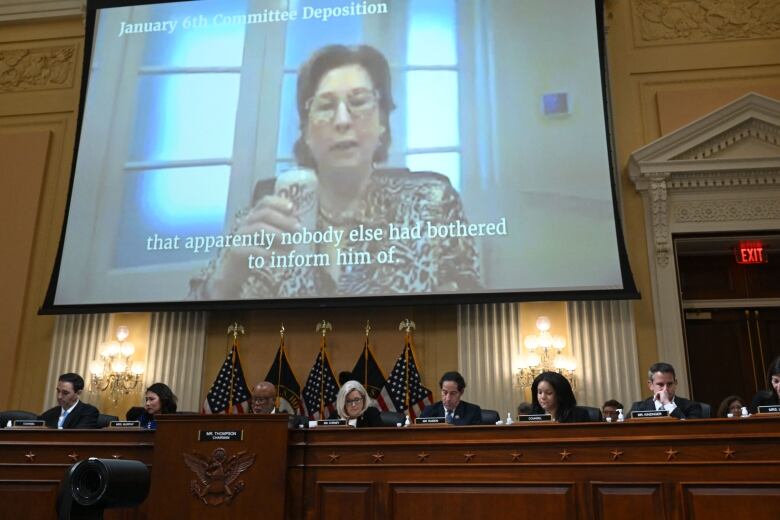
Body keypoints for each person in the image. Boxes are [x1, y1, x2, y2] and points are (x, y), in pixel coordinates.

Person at [190, 44, 480, 300]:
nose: (342, 120)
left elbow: (469, 319)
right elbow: (194, 327)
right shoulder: (265, 216)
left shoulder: (432, 204)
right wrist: (227, 275)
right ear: (306, 132)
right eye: (326, 106)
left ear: (382, 123)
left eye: (359, 102)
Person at [629, 362, 703, 419]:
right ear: (651, 385)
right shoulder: (638, 408)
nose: (665, 389)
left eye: (669, 384)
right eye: (660, 384)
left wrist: (667, 404)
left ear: (675, 383)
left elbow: (689, 429)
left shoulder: (692, 407)